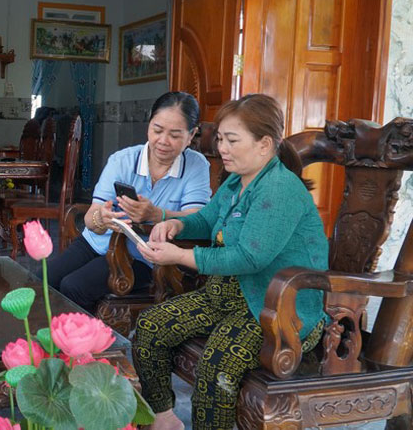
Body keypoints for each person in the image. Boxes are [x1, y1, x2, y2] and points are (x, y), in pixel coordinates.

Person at [133, 94, 328, 430]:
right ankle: (162, 418)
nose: (222, 148)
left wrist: (180, 256)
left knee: (218, 364)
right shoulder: (237, 180)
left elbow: (250, 257)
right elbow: (207, 219)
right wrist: (174, 224)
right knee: (150, 327)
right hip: (228, 295)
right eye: (221, 139)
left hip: (277, 308)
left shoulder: (280, 189)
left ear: (264, 144)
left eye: (232, 140)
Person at [46, 91, 212, 311]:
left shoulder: (196, 165)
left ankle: (85, 334)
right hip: (98, 241)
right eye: (157, 130)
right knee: (42, 280)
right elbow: (90, 218)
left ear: (191, 135)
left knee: (73, 286)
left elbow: (197, 218)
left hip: (143, 256)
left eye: (175, 135)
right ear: (149, 125)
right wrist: (101, 219)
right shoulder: (122, 160)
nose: (163, 141)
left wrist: (157, 215)